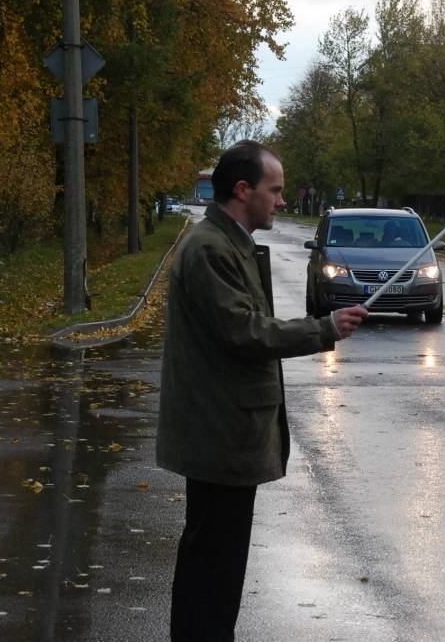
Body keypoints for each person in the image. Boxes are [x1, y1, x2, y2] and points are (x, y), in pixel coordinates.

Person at [156, 140, 368, 641]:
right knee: (213, 568)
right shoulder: (210, 248)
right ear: (243, 189)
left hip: (226, 430)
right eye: (274, 191)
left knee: (216, 565)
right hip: (220, 432)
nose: (282, 201)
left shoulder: (230, 244)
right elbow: (244, 331)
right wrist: (324, 328)